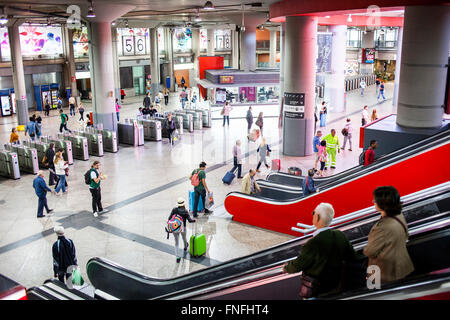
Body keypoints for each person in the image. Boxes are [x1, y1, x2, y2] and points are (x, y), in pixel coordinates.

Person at [282, 203, 356, 299]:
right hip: (338, 286)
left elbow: (298, 265)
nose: (312, 215)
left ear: (317, 217)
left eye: (314, 213)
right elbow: (352, 256)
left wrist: (286, 268)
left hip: (318, 290)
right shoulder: (339, 235)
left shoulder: (314, 243)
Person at [364, 186, 414, 284]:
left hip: (384, 272)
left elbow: (370, 252)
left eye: (375, 200)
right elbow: (406, 235)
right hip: (402, 265)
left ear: (383, 204)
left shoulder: (383, 228)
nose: (373, 201)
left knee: (376, 295)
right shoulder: (399, 215)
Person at [168, 198, 197, 263]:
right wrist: (194, 220)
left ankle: (177, 258)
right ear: (183, 204)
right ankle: (185, 247)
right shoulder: (185, 211)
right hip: (183, 228)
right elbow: (190, 220)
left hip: (175, 228)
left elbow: (169, 218)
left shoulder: (174, 210)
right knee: (184, 238)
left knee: (176, 242)